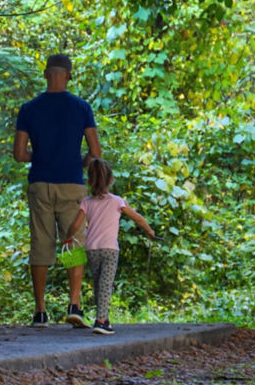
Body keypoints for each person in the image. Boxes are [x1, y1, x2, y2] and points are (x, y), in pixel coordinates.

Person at [13, 53, 102, 328]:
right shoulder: (81, 107)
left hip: (40, 182)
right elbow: (96, 152)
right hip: (72, 183)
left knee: (41, 243)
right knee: (73, 242)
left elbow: (18, 154)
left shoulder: (28, 109)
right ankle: (74, 305)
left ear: (45, 75)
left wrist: (39, 156)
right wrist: (81, 161)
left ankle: (40, 312)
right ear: (69, 76)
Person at [66, 158, 155, 335]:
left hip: (92, 249)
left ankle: (103, 318)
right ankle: (100, 321)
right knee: (106, 284)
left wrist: (68, 236)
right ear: (111, 180)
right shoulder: (117, 201)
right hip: (110, 249)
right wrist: (149, 231)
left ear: (90, 181)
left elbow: (76, 225)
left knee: (100, 284)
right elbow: (136, 217)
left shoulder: (87, 202)